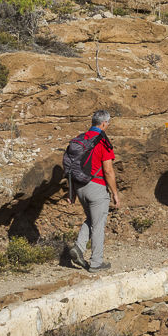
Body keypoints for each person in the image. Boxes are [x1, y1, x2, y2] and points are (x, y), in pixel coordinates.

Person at [66, 110, 120, 272]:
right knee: (98, 224)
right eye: (108, 123)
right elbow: (108, 170)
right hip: (96, 186)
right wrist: (115, 193)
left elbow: (71, 166)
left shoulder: (79, 139)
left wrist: (72, 192)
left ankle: (79, 248)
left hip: (79, 186)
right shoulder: (102, 141)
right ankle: (96, 263)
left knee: (91, 219)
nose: (108, 126)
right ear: (103, 123)